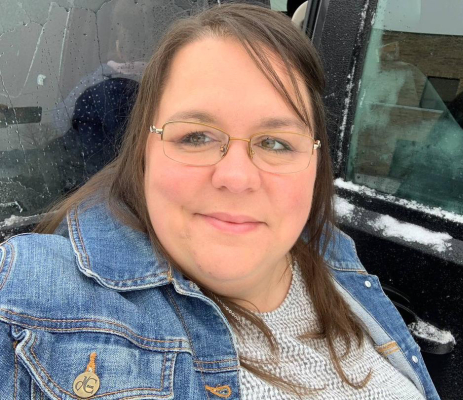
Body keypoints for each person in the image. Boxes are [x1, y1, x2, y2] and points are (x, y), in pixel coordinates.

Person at [0, 4, 439, 399]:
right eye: (196, 137)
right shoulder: (27, 300)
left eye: (275, 142)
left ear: (315, 162)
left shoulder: (333, 255)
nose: (236, 177)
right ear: (144, 153)